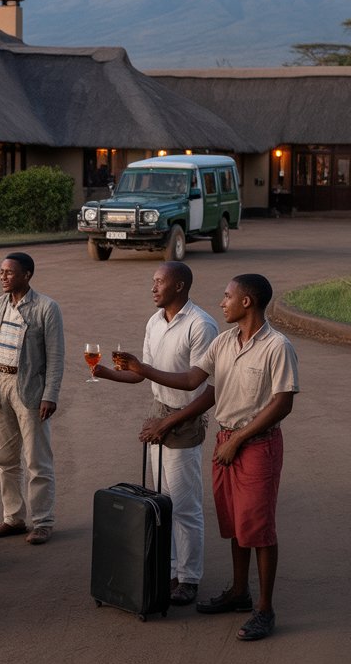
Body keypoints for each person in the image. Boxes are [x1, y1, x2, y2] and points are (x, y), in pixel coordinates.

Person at [117, 273, 298, 641]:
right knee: (235, 523)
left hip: (257, 443)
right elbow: (193, 383)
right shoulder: (225, 342)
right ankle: (238, 593)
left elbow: (282, 403)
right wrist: (142, 370)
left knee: (259, 529)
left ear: (246, 302)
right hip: (226, 440)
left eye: (228, 296)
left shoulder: (277, 346)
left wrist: (240, 440)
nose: (222, 302)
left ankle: (265, 608)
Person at [93, 262, 218, 606]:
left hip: (184, 419)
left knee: (185, 505)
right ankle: (172, 569)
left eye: (159, 282)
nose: (153, 287)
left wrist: (143, 370)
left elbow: (201, 384)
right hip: (159, 414)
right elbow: (141, 375)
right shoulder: (154, 321)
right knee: (163, 500)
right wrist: (104, 373)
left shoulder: (200, 325)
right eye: (153, 281)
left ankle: (189, 578)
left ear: (179, 286)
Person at [0, 251, 64, 545]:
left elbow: (56, 357)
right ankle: (13, 518)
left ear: (27, 275)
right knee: (5, 459)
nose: (3, 277)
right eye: (1, 272)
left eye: (9, 272)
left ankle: (42, 521)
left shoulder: (46, 308)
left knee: (38, 460)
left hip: (30, 389)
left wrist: (49, 395)